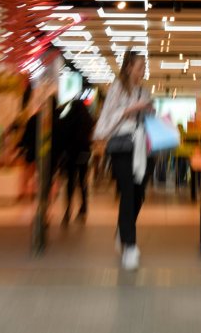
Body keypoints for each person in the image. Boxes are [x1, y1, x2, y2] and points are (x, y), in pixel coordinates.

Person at [95, 51, 154, 271]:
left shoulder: (143, 91)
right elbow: (107, 117)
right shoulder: (117, 88)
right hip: (121, 146)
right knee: (128, 191)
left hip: (141, 146)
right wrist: (132, 108)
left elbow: (146, 118)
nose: (142, 72)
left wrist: (149, 111)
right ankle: (130, 245)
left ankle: (123, 228)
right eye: (140, 67)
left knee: (138, 192)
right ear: (128, 67)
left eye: (144, 67)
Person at [54, 95, 95, 224]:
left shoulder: (69, 119)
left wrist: (65, 105)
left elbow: (59, 127)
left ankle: (68, 210)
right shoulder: (88, 121)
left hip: (71, 154)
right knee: (83, 181)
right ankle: (84, 207)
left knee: (71, 182)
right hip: (84, 153)